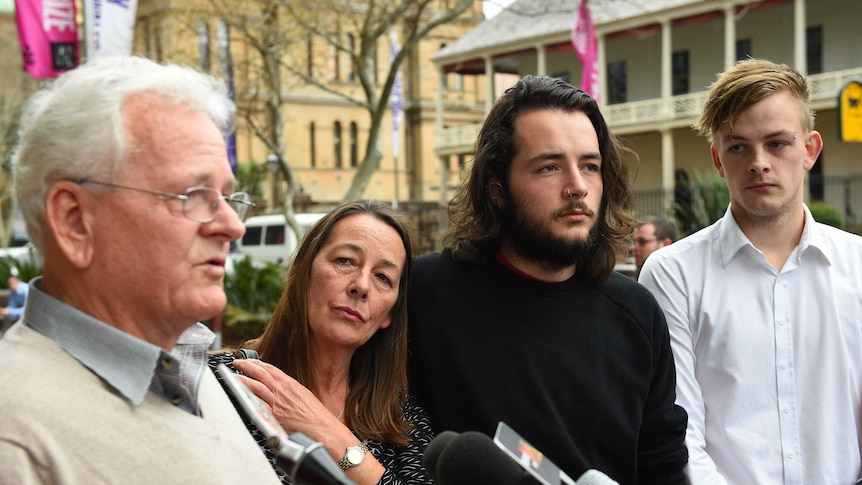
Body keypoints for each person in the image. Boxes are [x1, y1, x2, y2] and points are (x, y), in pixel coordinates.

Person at [0, 56, 281, 484]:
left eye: (229, 196)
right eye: (195, 194)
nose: (232, 225)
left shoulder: (188, 373)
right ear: (74, 221)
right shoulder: (16, 443)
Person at [408, 75, 688, 483]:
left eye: (590, 166)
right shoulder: (425, 294)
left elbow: (663, 468)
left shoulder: (638, 313)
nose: (577, 187)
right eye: (549, 167)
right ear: (496, 188)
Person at [638, 58, 862, 484]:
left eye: (777, 143)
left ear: (810, 150)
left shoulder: (859, 266)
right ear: (718, 160)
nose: (759, 162)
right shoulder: (673, 275)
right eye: (738, 146)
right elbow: (681, 438)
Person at [210, 199, 434, 485]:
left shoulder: (399, 416)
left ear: (389, 314)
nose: (361, 286)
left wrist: (328, 432)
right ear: (303, 272)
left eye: (383, 277)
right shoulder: (221, 383)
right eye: (345, 261)